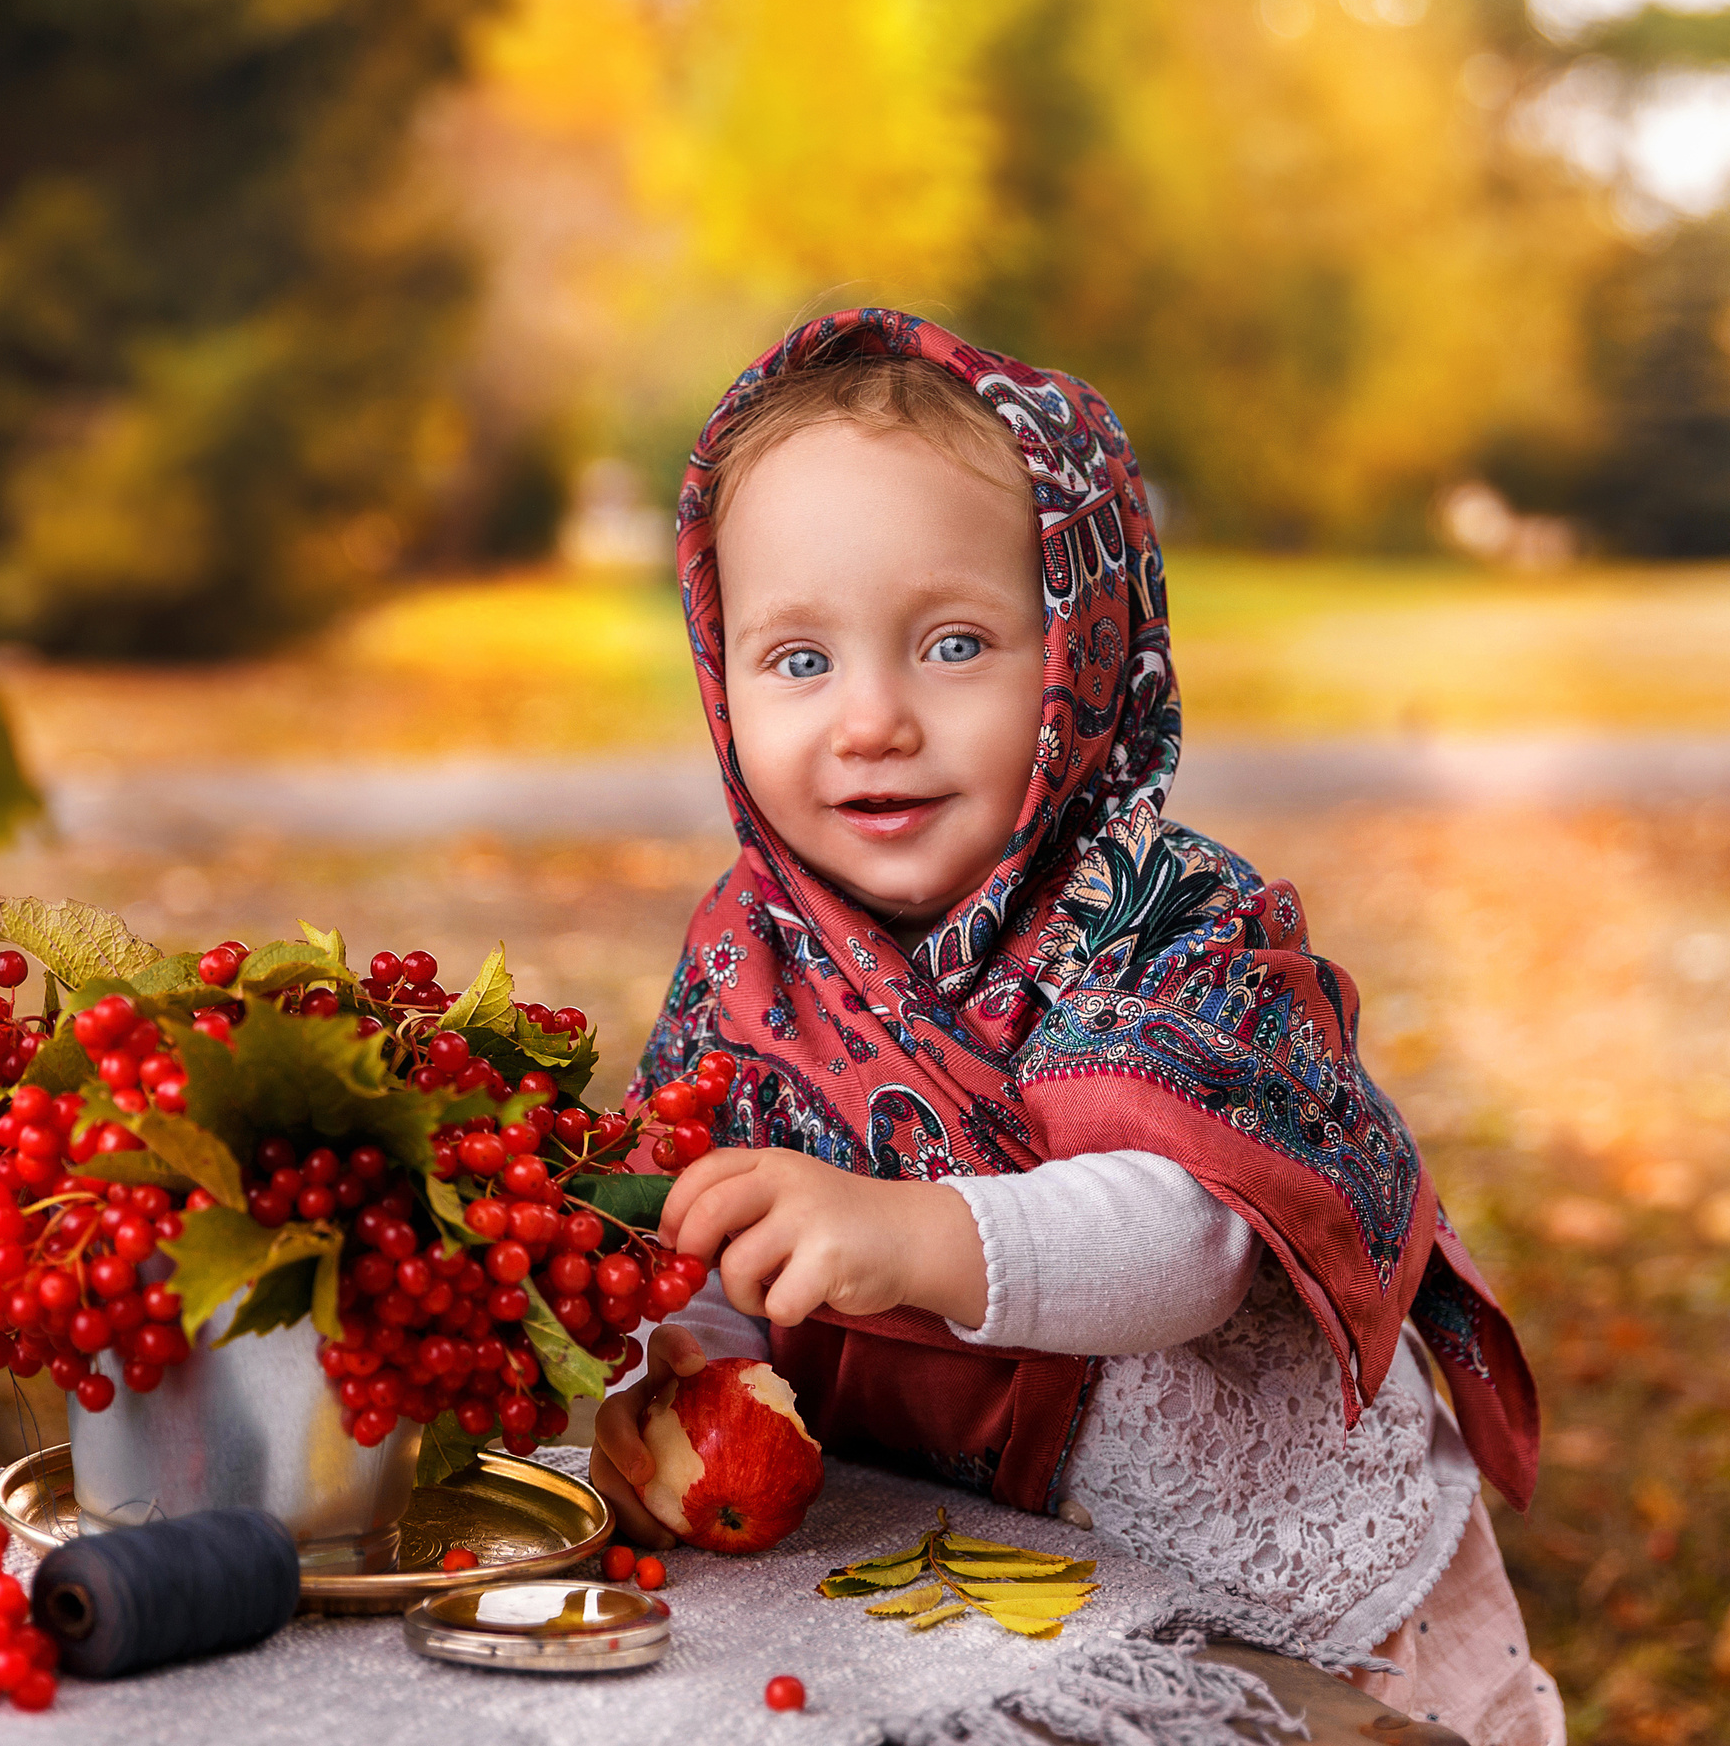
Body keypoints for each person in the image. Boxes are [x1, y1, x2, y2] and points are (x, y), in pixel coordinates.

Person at [587, 309, 1560, 1746]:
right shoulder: (749, 952)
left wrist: (917, 1235)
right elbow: (720, 1225)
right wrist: (689, 1362)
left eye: (954, 644)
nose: (871, 720)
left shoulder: (1160, 910)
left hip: (1301, 1602)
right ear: (720, 676)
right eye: (799, 661)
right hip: (990, 1577)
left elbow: (1195, 1241)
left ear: (1080, 658)